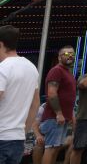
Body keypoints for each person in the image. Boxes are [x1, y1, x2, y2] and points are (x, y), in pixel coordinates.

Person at [0, 26, 40, 164]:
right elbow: (35, 103)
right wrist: (24, 131)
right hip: (17, 139)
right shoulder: (31, 67)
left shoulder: (3, 68)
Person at [40, 46, 76, 164]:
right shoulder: (57, 70)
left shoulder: (67, 72)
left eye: (72, 53)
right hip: (54, 117)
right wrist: (59, 113)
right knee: (50, 148)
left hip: (62, 117)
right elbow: (51, 93)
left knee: (55, 148)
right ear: (59, 57)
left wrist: (69, 115)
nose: (70, 55)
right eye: (66, 53)